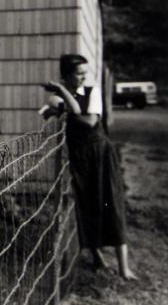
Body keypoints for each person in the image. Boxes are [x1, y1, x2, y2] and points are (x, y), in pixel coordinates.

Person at [41, 54, 136, 280]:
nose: (83, 77)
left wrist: (64, 105)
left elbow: (89, 121)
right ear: (66, 76)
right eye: (78, 73)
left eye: (85, 72)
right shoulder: (62, 98)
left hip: (99, 153)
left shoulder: (92, 94)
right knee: (87, 204)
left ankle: (124, 267)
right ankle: (97, 258)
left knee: (111, 203)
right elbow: (48, 113)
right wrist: (57, 108)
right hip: (80, 157)